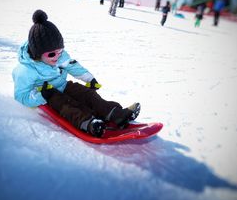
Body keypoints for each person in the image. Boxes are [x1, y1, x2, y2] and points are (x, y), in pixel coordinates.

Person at [12, 10, 141, 138]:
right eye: (51, 54)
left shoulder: (60, 57)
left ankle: (116, 114)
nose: (57, 56)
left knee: (88, 94)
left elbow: (74, 67)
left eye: (60, 51)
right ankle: (89, 123)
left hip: (63, 85)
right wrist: (41, 95)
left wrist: (89, 79)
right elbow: (21, 96)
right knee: (66, 105)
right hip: (49, 94)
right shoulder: (25, 71)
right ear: (37, 53)